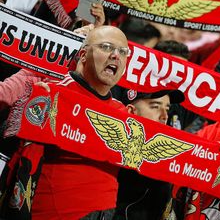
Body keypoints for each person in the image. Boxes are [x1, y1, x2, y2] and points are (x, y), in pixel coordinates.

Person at [11, 25, 130, 219]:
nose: (116, 55)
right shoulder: (53, 93)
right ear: (83, 55)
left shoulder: (122, 112)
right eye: (106, 47)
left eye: (123, 52)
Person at [114, 89, 176, 220]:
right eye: (155, 107)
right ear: (131, 111)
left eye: (167, 108)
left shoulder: (166, 154)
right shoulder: (114, 153)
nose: (165, 116)